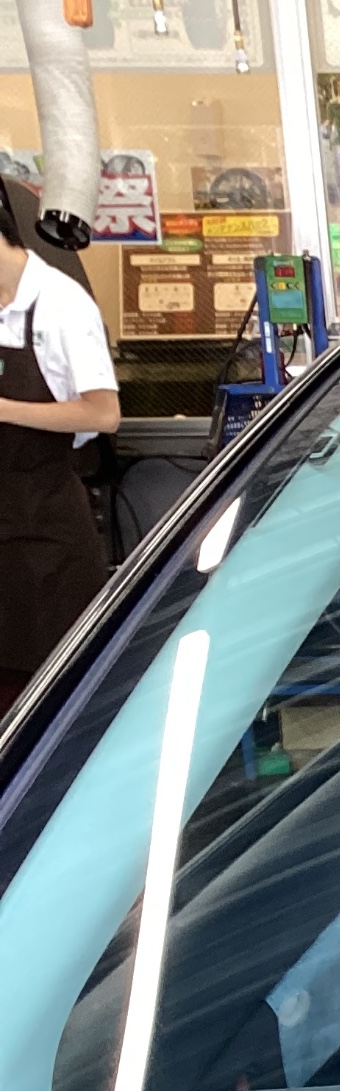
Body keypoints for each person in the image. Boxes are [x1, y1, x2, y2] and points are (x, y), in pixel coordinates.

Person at [0, 183, 117, 712]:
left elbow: (102, 414)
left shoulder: (61, 304)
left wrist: (5, 409)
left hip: (48, 538)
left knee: (52, 700)